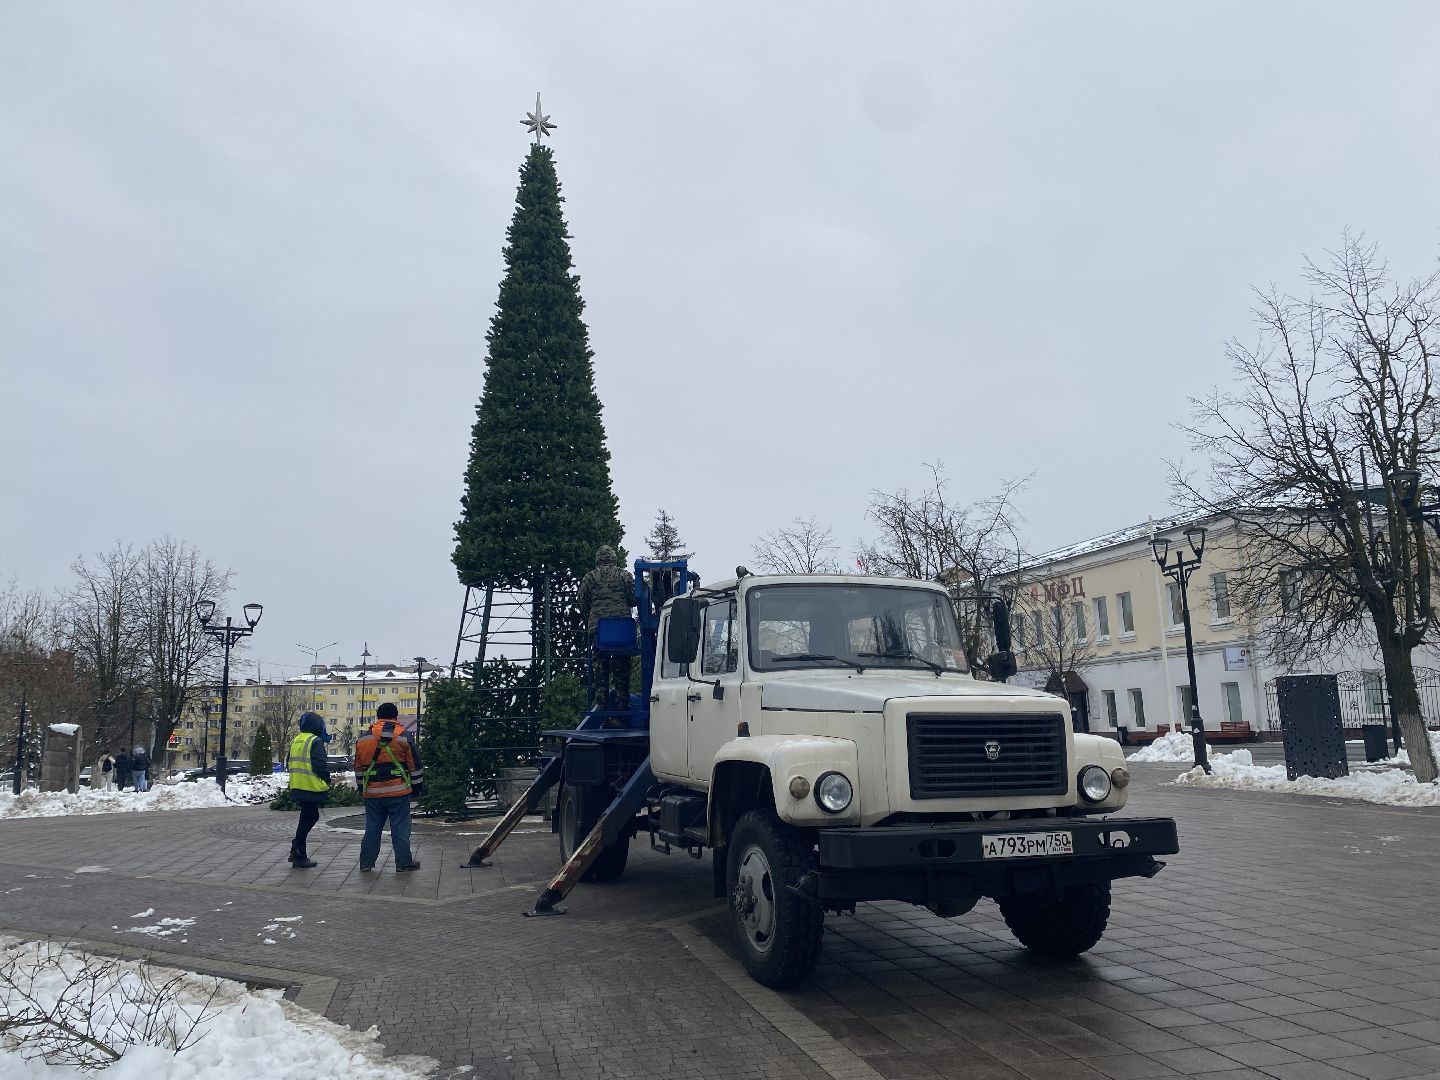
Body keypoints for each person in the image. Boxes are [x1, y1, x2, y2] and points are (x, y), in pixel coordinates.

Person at [354, 703, 421, 873]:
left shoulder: (363, 739)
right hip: (398, 791)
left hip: (372, 793)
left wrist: (363, 788)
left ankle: (366, 863)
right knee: (400, 827)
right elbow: (415, 765)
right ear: (396, 717)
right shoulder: (404, 737)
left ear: (377, 717)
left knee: (372, 828)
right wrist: (417, 788)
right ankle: (403, 863)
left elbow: (359, 768)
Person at [578, 545, 635, 708]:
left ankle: (601, 700)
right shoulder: (624, 575)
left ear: (598, 559)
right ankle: (622, 700)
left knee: (600, 665)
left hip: (599, 629)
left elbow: (583, 602)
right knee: (622, 665)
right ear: (613, 558)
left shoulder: (590, 577)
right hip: (622, 628)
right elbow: (633, 599)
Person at [286, 711, 332, 869]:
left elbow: (288, 762)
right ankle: (298, 853)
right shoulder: (315, 741)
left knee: (307, 818)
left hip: (298, 785)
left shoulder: (296, 740)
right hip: (310, 786)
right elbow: (320, 765)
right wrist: (327, 778)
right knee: (309, 818)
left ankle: (296, 849)